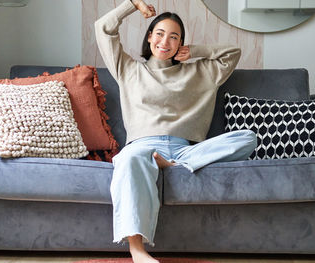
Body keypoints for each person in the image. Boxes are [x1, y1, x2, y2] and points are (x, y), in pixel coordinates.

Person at [94, 0, 257, 262]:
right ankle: (137, 251)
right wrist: (132, 4)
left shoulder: (202, 72)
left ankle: (172, 163)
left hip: (184, 149)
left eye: (174, 37)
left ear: (181, 43)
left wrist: (196, 51)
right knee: (127, 159)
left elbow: (233, 53)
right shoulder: (128, 69)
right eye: (159, 34)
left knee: (248, 138)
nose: (165, 41)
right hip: (142, 146)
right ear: (149, 38)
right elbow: (103, 28)